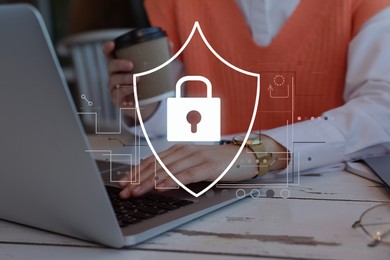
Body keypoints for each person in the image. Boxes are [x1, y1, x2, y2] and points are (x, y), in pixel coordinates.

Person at [103, 0, 390, 199]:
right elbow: (190, 119)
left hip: (338, 197)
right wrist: (147, 109)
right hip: (211, 190)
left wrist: (252, 152)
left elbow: (381, 110)